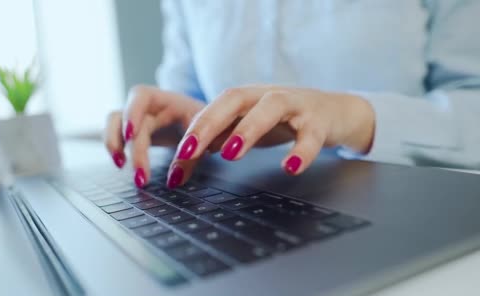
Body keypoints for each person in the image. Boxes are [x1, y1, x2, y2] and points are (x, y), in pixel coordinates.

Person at [104, 0, 480, 189]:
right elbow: (186, 91)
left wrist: (351, 117)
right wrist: (184, 122)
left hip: (408, 213)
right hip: (241, 209)